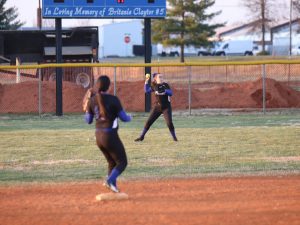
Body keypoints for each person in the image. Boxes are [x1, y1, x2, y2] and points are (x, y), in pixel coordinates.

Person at [83, 75, 131, 193]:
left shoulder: (92, 100)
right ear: (108, 87)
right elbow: (124, 118)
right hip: (110, 136)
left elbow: (88, 121)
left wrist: (86, 108)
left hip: (98, 137)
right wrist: (130, 117)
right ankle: (109, 181)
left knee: (112, 162)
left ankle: (113, 187)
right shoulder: (113, 99)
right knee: (122, 162)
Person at [135, 73, 177, 142]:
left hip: (166, 107)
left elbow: (171, 93)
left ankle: (174, 138)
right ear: (155, 79)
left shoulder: (165, 85)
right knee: (148, 122)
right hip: (157, 107)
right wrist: (146, 81)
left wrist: (165, 91)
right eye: (159, 77)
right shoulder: (154, 86)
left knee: (169, 123)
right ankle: (141, 137)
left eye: (162, 77)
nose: (161, 78)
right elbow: (146, 91)